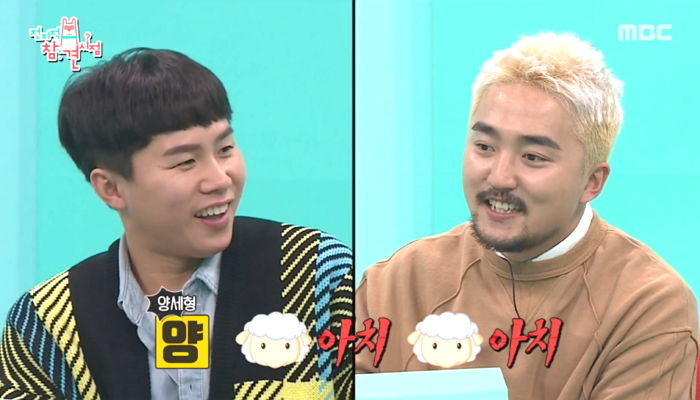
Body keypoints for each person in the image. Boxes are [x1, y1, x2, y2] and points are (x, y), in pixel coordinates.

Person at [356, 33, 698, 399]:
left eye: (533, 157)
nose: (499, 177)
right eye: (484, 147)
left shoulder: (648, 306)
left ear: (592, 182)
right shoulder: (396, 283)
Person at [0, 48, 353, 400]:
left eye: (225, 149)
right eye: (185, 162)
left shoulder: (319, 273)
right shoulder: (45, 325)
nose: (220, 180)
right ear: (111, 188)